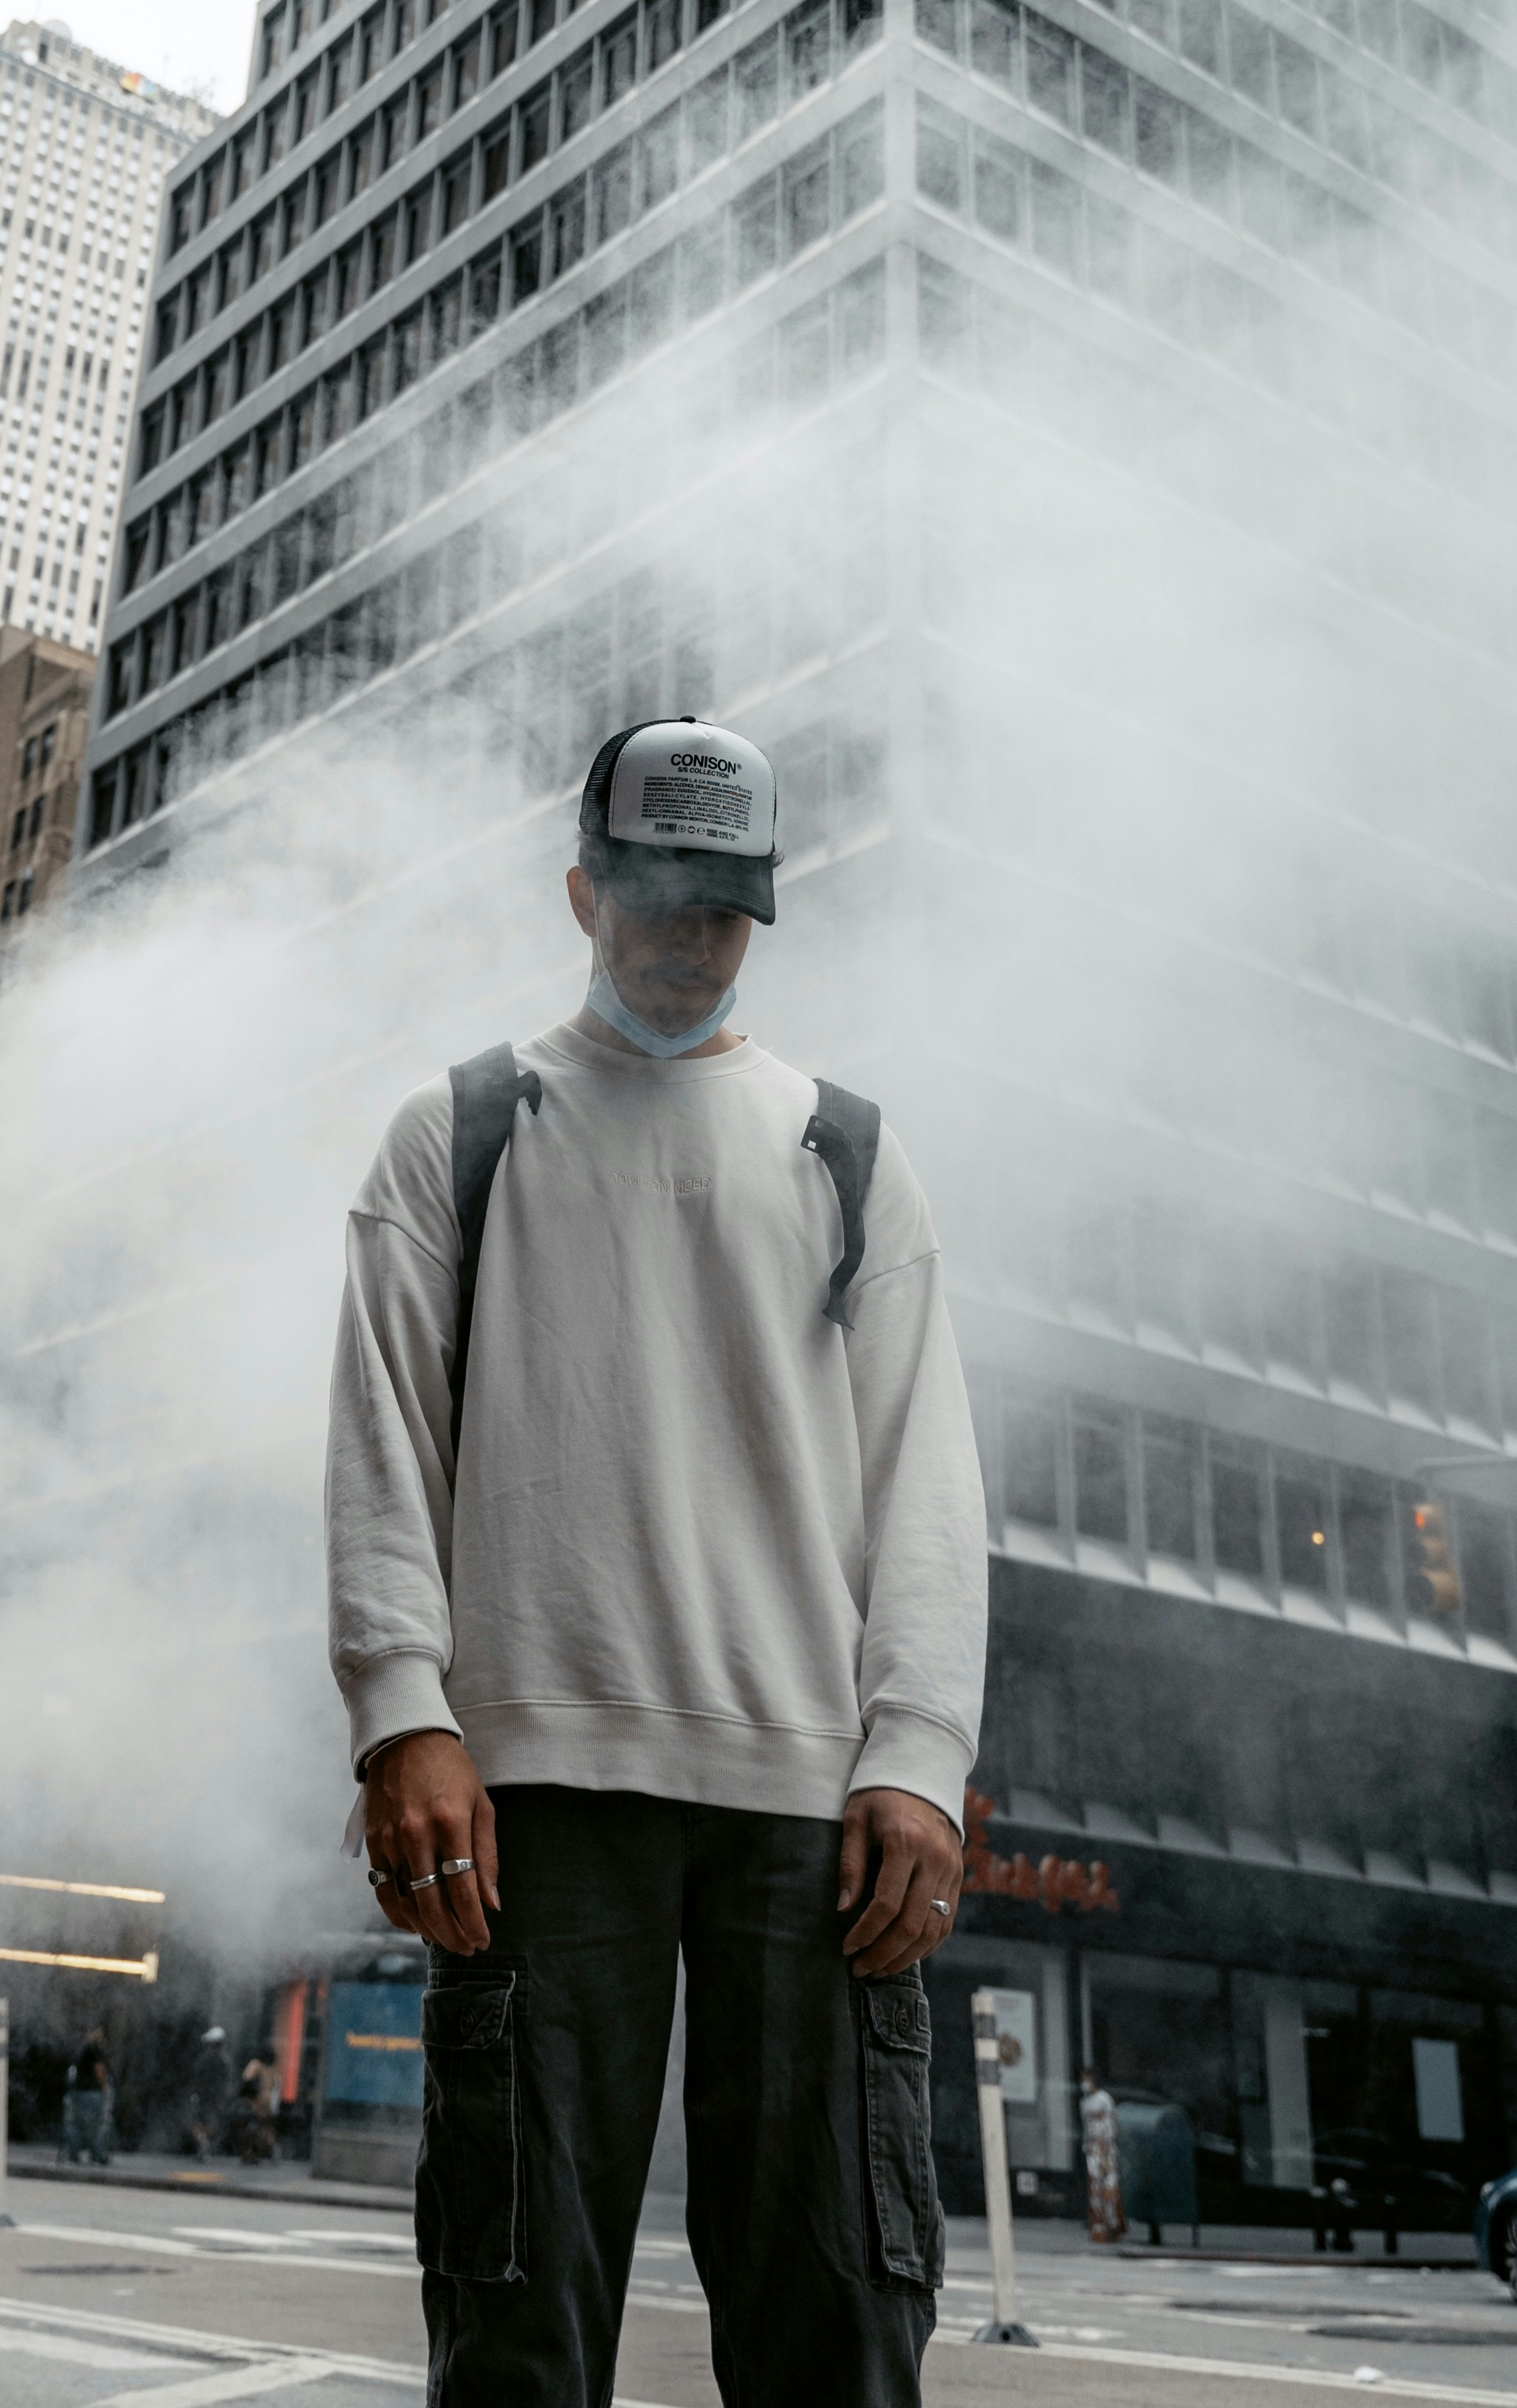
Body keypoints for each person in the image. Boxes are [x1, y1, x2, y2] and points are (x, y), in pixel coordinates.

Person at [327, 717, 988, 2407]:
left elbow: (922, 1472)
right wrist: (403, 1712)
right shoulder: (459, 1130)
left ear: (757, 911)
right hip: (530, 1789)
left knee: (838, 2325)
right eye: (652, 895)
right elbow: (383, 1438)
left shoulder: (841, 1149)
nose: (685, 938)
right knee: (516, 2322)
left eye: (720, 904)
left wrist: (915, 1755)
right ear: (580, 889)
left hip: (805, 1808)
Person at [1080, 2069, 1125, 2244]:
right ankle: (1099, 2224)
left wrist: (1107, 2147)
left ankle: (1112, 2223)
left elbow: (1110, 2123)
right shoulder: (1084, 2103)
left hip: (1106, 2149)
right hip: (1093, 2149)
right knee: (1095, 2188)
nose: (1084, 2084)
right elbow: (1087, 2126)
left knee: (1109, 2187)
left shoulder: (1104, 2099)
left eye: (1087, 2080)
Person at [68, 2027, 113, 2167]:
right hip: (92, 2092)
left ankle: (74, 2156)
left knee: (76, 2125)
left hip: (79, 2092)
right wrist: (105, 2088)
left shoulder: (82, 2050)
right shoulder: (94, 2049)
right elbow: (99, 2069)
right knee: (98, 2126)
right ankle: (98, 2156)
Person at [185, 2025, 230, 2161]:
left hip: (202, 2095)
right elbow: (225, 2081)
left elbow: (196, 2078)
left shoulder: (204, 2060)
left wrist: (193, 2093)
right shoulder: (224, 2061)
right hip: (216, 2097)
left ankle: (202, 2141)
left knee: (194, 2122)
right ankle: (205, 2145)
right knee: (211, 2123)